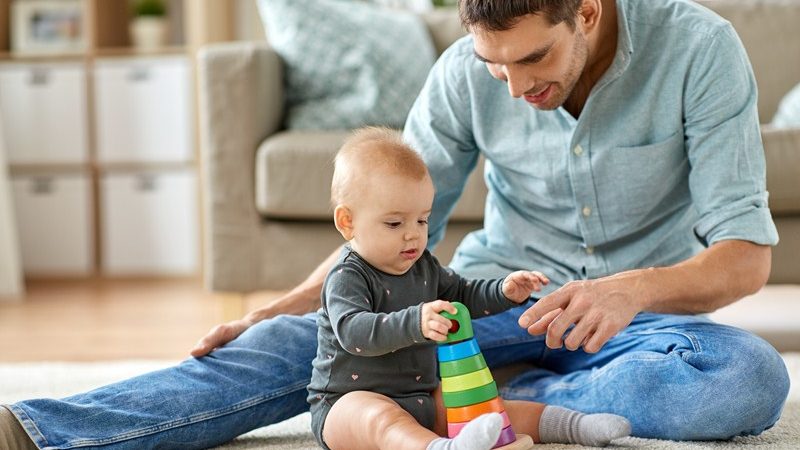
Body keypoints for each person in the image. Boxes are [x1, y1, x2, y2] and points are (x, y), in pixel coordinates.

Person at [0, 0, 791, 448]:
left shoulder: (698, 51)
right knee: (306, 344)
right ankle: (41, 431)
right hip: (478, 305)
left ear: (586, 11)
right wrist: (280, 307)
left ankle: (497, 393)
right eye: (494, 65)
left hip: (631, 324)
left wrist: (626, 292)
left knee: (744, 379)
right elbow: (380, 235)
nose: (512, 87)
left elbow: (745, 259)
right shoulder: (464, 75)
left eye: (532, 60)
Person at [308, 127, 630, 450]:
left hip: (419, 396)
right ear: (347, 222)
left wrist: (503, 291)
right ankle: (439, 448)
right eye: (395, 223)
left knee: (487, 407)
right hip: (346, 406)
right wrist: (417, 321)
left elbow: (462, 295)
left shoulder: (423, 266)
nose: (413, 235)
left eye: (422, 220)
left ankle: (573, 425)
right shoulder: (347, 276)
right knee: (381, 419)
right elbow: (353, 332)